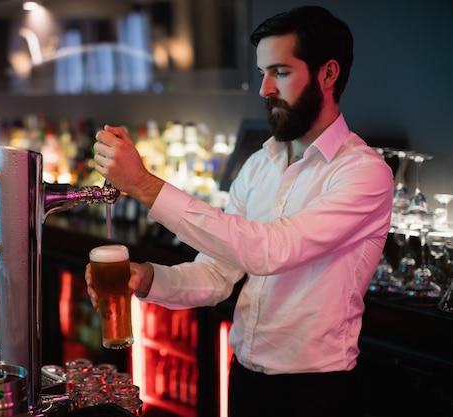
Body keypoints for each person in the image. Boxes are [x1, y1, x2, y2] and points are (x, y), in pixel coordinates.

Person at [86, 5, 393, 416]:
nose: (265, 88)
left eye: (280, 72)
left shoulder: (363, 174)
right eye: (262, 72)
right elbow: (217, 274)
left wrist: (143, 184)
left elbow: (268, 252)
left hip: (316, 394)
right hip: (245, 380)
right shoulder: (259, 164)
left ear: (328, 74)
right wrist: (146, 278)